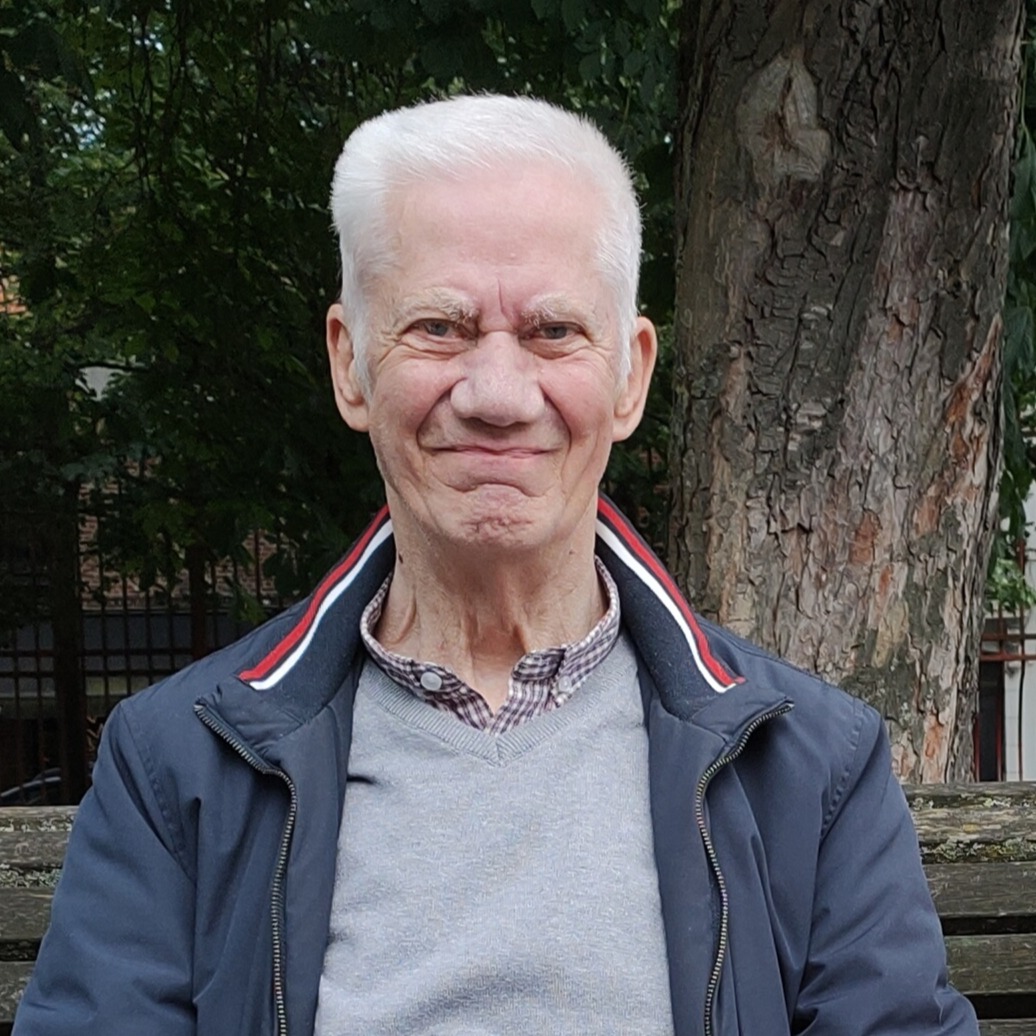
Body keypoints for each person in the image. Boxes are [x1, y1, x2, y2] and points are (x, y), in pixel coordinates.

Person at [14, 94, 977, 1036]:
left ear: (631, 375)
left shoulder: (813, 767)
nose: (499, 395)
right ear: (351, 365)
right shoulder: (177, 766)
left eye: (555, 332)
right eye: (441, 328)